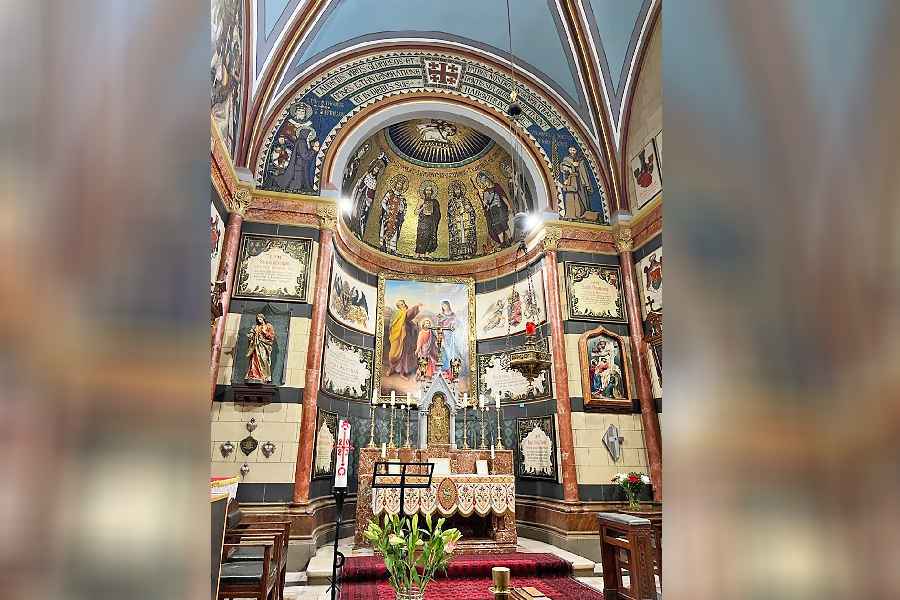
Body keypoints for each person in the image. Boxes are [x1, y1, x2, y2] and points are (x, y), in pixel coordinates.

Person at [474, 171, 511, 248]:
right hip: (492, 211)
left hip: (499, 208)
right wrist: (478, 195)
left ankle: (510, 239)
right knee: (497, 228)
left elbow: (503, 196)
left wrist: (509, 206)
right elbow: (485, 205)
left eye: (485, 180)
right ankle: (502, 243)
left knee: (504, 225)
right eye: (482, 181)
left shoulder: (496, 186)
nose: (485, 182)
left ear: (488, 178)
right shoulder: (485, 192)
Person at [387, 299, 421, 376]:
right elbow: (392, 325)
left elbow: (410, 316)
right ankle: (391, 368)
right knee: (393, 354)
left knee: (404, 355)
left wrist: (416, 307)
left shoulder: (405, 314)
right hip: (396, 336)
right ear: (398, 306)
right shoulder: (398, 313)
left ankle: (402, 372)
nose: (404, 305)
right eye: (401, 304)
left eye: (404, 303)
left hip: (405, 338)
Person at [350, 159, 382, 238]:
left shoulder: (374, 181)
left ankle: (358, 229)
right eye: (375, 168)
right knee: (355, 209)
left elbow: (371, 193)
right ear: (373, 168)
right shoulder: (367, 175)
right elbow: (360, 183)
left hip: (365, 200)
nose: (376, 170)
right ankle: (352, 225)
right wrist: (360, 188)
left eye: (377, 170)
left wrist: (368, 199)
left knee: (361, 213)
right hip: (359, 196)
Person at [559, 146, 593, 218]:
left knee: (582, 197)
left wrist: (586, 184)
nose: (572, 152)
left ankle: (584, 211)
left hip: (580, 181)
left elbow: (583, 172)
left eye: (574, 150)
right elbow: (564, 171)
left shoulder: (580, 160)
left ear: (576, 151)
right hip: (571, 181)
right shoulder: (566, 159)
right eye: (571, 150)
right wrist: (566, 179)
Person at [447, 180, 477, 259]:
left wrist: (469, 209)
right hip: (457, 223)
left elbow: (471, 210)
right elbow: (449, 213)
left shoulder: (465, 200)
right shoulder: (451, 202)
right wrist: (454, 214)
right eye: (455, 190)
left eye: (458, 189)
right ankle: (457, 254)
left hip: (465, 221)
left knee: (466, 236)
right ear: (453, 191)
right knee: (458, 237)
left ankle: (468, 252)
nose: (457, 191)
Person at [380, 175, 408, 254]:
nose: (399, 186)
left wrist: (401, 207)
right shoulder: (389, 193)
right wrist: (387, 209)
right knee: (384, 229)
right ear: (395, 184)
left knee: (394, 233)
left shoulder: (402, 198)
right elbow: (383, 202)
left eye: (401, 185)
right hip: (388, 216)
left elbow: (403, 210)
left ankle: (392, 248)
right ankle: (383, 245)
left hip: (396, 218)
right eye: (398, 184)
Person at [245, 314, 276, 383]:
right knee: (254, 359)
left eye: (260, 319)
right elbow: (252, 334)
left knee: (263, 359)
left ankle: (264, 376)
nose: (259, 321)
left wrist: (265, 332)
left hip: (264, 345)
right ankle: (254, 375)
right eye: (258, 319)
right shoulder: (256, 327)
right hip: (256, 345)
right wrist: (250, 336)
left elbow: (272, 336)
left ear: (263, 319)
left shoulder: (268, 326)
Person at [415, 181, 441, 256]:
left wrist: (434, 216)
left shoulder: (435, 202)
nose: (428, 192)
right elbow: (416, 212)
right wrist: (422, 207)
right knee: (421, 236)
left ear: (432, 192)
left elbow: (438, 214)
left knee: (430, 236)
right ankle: (419, 253)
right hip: (423, 222)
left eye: (430, 190)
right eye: (427, 190)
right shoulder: (421, 200)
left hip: (431, 222)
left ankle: (427, 252)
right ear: (424, 191)